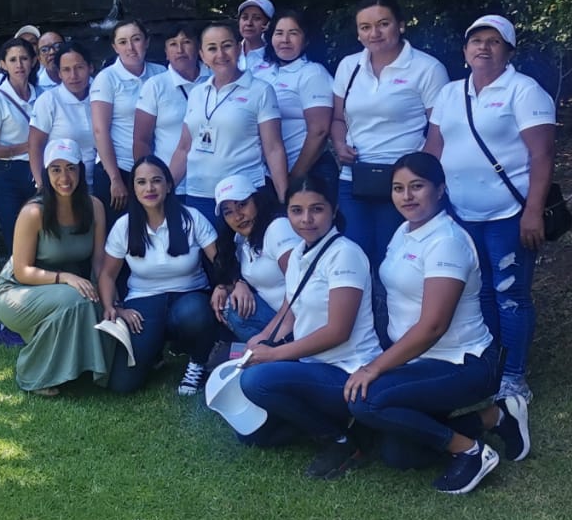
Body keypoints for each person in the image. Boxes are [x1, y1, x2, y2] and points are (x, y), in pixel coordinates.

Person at [343, 153, 530, 495]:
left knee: (367, 401)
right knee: (401, 454)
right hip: (417, 362)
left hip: (463, 362)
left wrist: (375, 367)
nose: (407, 196)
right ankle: (495, 416)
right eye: (398, 188)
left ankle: (470, 452)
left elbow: (433, 326)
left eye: (417, 186)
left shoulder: (447, 241)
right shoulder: (404, 231)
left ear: (440, 189)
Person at [424, 14, 556, 404]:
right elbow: (434, 149)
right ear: (465, 50)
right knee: (479, 292)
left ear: (509, 51)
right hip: (461, 214)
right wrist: (427, 201)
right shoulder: (450, 93)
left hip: (508, 214)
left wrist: (533, 211)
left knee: (511, 295)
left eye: (494, 41)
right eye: (476, 40)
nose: (483, 47)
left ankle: (514, 376)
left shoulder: (524, 91)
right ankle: (489, 367)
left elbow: (543, 156)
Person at [224, 174, 380, 478]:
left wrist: (274, 355)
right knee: (255, 435)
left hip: (348, 370)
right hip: (313, 365)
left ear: (334, 209)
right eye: (296, 211)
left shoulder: (345, 254)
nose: (306, 219)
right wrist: (262, 339)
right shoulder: (299, 252)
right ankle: (341, 423)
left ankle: (339, 440)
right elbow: (290, 309)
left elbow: (338, 331)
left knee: (256, 382)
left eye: (316, 209)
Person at [330, 0, 448, 328]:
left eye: (383, 24)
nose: (374, 33)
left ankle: (399, 335)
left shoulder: (427, 68)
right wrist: (339, 144)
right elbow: (337, 119)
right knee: (352, 260)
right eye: (365, 27)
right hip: (354, 179)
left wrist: (422, 176)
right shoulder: (349, 66)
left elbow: (439, 128)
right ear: (357, 33)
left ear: (401, 25)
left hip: (403, 186)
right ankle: (358, 334)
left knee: (395, 263)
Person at [0, 138, 110, 396]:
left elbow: (99, 262)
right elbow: (23, 271)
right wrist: (65, 277)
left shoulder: (95, 207)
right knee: (77, 299)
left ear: (81, 170)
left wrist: (109, 300)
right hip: (17, 290)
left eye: (71, 168)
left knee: (92, 301)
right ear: (46, 173)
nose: (64, 177)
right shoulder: (33, 212)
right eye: (56, 169)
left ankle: (82, 370)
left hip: (64, 288)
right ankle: (34, 375)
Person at [98, 154, 220, 394]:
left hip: (189, 296)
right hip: (144, 300)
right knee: (123, 385)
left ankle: (197, 363)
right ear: (133, 188)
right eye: (141, 182)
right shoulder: (124, 226)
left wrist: (226, 285)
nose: (149, 188)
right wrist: (114, 307)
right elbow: (107, 275)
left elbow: (219, 260)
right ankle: (154, 353)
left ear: (169, 185)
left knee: (193, 313)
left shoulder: (191, 218)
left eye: (156, 180)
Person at [169, 22, 289, 225]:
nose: (220, 54)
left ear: (238, 48)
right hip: (199, 194)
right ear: (202, 55)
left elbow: (273, 148)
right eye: (212, 48)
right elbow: (183, 148)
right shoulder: (197, 93)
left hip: (243, 196)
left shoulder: (260, 90)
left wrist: (284, 199)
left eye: (226, 45)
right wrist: (166, 190)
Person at [90, 18, 165, 224]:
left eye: (136, 39)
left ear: (147, 42)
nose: (130, 47)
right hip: (119, 169)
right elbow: (100, 130)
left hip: (155, 169)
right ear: (115, 47)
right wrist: (115, 179)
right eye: (122, 42)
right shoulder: (107, 78)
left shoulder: (161, 73)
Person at [209, 174, 300, 342]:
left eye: (242, 205)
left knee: (234, 311)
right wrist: (235, 284)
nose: (238, 216)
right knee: (228, 304)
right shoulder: (239, 238)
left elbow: (301, 286)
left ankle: (279, 350)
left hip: (299, 317)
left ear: (257, 201)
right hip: (274, 314)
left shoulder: (277, 228)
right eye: (228, 212)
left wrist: (271, 336)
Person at [255, 7, 335, 194]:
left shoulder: (313, 73)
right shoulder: (261, 73)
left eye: (293, 33)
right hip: (270, 175)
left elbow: (319, 131)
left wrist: (296, 176)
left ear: (306, 40)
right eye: (279, 33)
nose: (285, 40)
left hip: (308, 172)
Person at [132, 23, 207, 196]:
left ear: (198, 47)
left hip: (212, 183)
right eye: (173, 44)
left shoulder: (214, 79)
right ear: (166, 52)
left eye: (186, 42)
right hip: (171, 185)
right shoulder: (155, 86)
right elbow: (141, 140)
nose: (180, 50)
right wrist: (149, 182)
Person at [0, 37, 40, 253]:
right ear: (3, 65)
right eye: (13, 60)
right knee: (15, 235)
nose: (19, 65)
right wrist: (25, 147)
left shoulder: (41, 95)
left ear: (33, 61)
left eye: (24, 58)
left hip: (36, 171)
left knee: (39, 232)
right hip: (7, 173)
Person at [29, 41, 96, 190]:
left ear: (90, 67)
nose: (73, 76)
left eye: (79, 68)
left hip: (101, 182)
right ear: (59, 73)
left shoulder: (100, 97)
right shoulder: (48, 101)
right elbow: (35, 146)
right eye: (66, 70)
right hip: (62, 185)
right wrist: (41, 185)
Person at [236, 0, 273, 71]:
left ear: (268, 24)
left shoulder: (274, 56)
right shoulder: (231, 52)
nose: (249, 23)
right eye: (245, 18)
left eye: (257, 18)